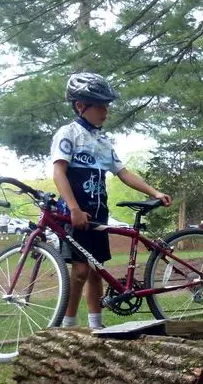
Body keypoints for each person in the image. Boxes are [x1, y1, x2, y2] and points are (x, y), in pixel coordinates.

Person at [52, 72, 172, 330]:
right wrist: (73, 207)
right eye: (100, 106)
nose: (105, 111)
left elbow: (123, 173)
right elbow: (58, 172)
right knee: (80, 271)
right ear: (81, 105)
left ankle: (97, 327)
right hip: (76, 213)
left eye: (107, 105)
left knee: (96, 270)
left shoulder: (102, 140)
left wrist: (154, 192)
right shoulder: (68, 133)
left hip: (98, 213)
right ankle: (68, 326)